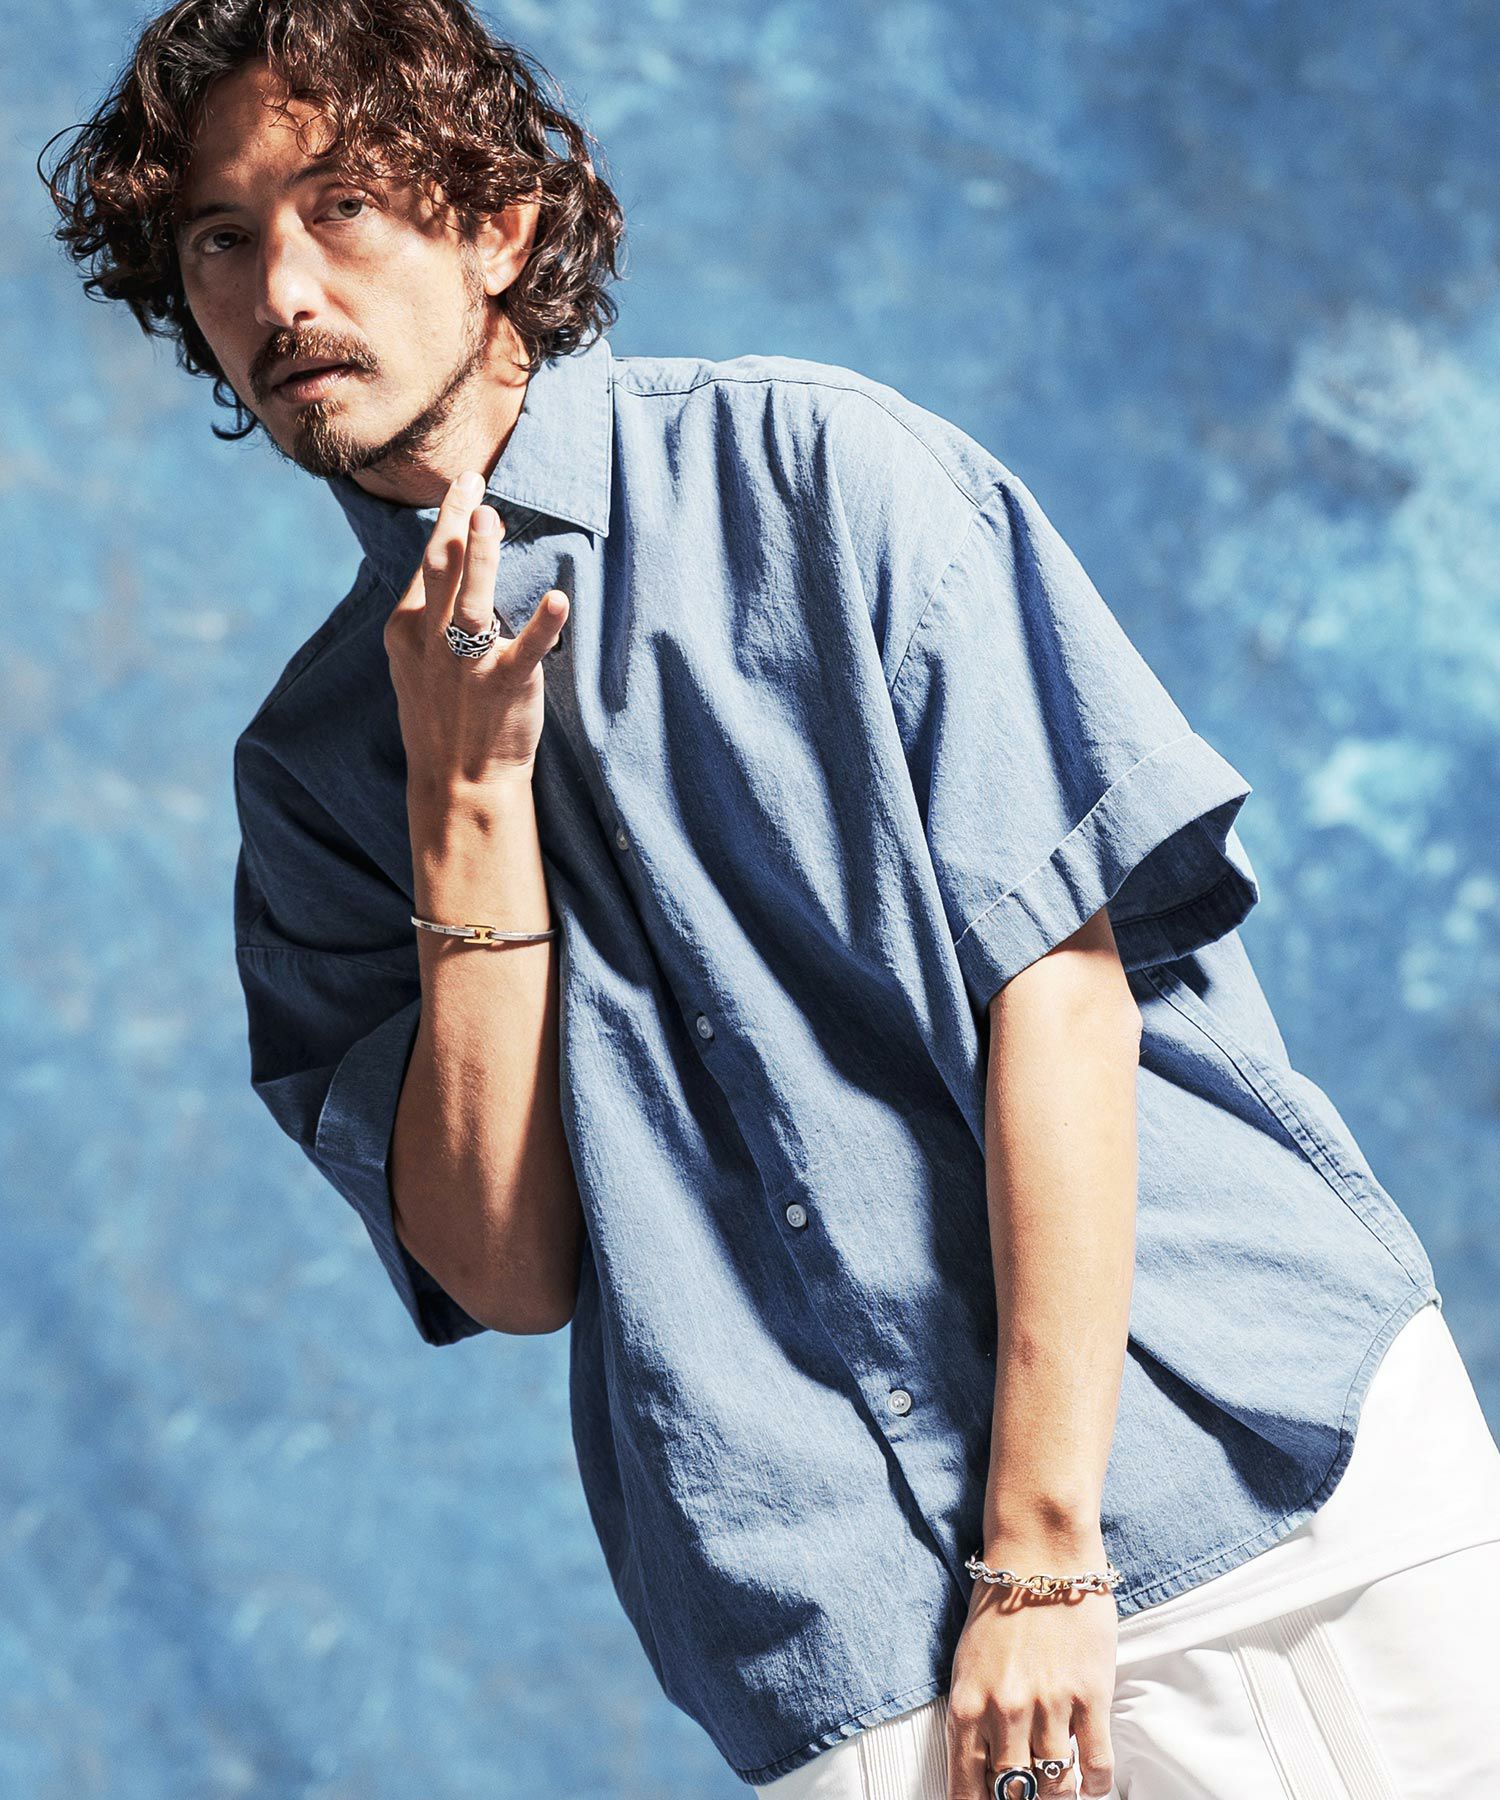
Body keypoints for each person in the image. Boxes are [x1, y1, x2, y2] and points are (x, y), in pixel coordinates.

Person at [42, 2, 1500, 1794]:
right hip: (850, 1637)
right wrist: (466, 804)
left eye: (339, 204)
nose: (282, 291)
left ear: (497, 223)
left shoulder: (823, 475)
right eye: (220, 237)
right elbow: (506, 1266)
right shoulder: (314, 772)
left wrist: (1042, 1550)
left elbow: (1064, 994)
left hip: (1263, 1484)